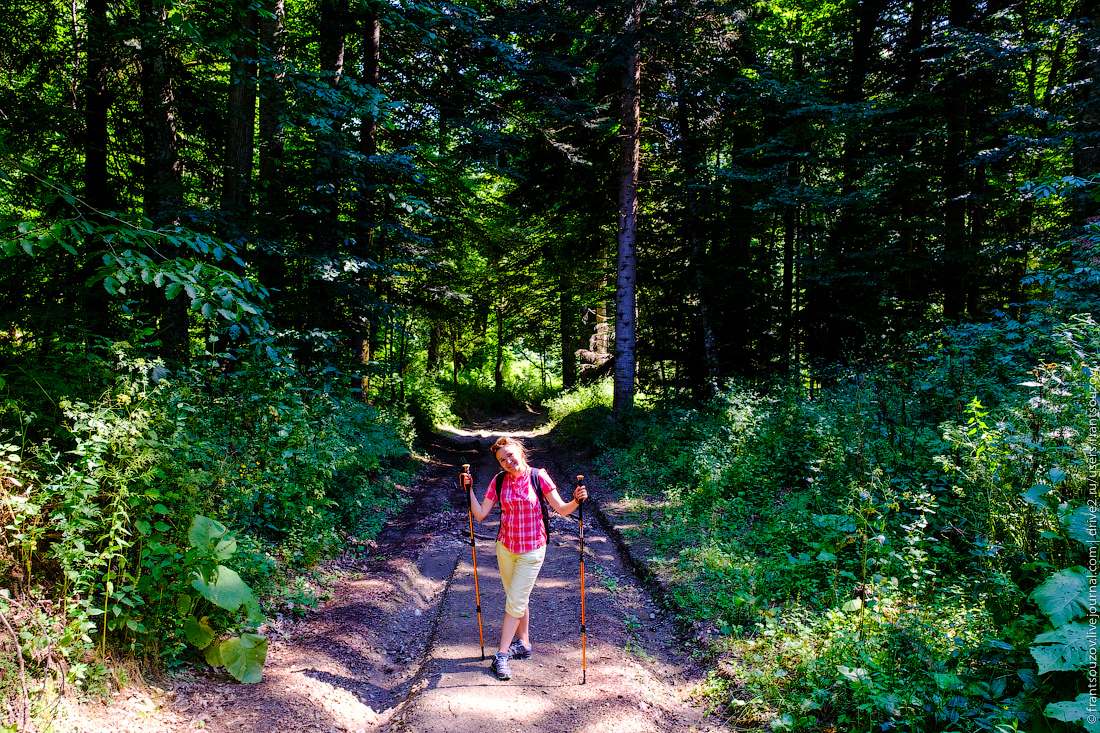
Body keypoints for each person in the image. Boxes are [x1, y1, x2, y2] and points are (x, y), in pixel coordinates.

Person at [467, 436, 588, 680]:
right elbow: (479, 514)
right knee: (517, 598)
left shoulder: (538, 476)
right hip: (506, 547)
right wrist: (468, 489)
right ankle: (524, 644)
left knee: (515, 601)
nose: (508, 462)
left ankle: (501, 655)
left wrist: (576, 500)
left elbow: (562, 509)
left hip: (532, 549)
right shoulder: (499, 481)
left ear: (520, 452)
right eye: (502, 460)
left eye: (510, 455)